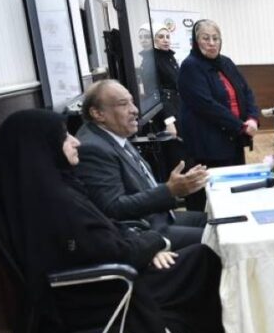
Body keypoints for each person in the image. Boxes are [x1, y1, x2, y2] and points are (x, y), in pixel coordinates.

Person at [0, 110, 237, 333]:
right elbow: (105, 248)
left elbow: (103, 236)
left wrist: (144, 247)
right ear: (41, 147)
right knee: (203, 260)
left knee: (195, 258)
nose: (75, 142)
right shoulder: (54, 201)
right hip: (104, 293)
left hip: (100, 282)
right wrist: (154, 244)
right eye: (64, 137)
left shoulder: (39, 192)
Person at [75, 80, 209, 250]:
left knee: (222, 222)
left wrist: (181, 184)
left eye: (132, 102)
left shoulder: (114, 133)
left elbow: (139, 187)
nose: (134, 110)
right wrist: (170, 190)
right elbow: (112, 208)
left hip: (158, 217)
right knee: (217, 238)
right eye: (123, 104)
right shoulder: (92, 148)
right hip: (143, 232)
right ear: (97, 113)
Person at [177, 19, 259, 171]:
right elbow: (206, 105)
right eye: (205, 38)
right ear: (195, 41)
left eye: (215, 38)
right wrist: (240, 126)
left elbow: (246, 91)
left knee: (237, 179)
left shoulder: (226, 62)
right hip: (210, 144)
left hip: (234, 137)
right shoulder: (190, 66)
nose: (212, 43)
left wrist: (252, 118)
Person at [152, 27, 180, 136]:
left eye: (168, 37)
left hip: (179, 105)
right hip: (169, 109)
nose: (165, 40)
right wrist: (169, 120)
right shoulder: (153, 59)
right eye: (161, 37)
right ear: (155, 40)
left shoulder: (170, 57)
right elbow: (157, 92)